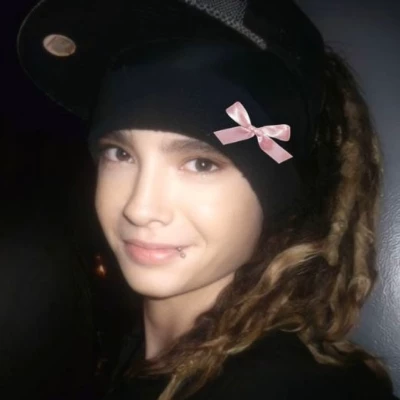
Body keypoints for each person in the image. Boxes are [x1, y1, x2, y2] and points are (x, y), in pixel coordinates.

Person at [17, 0, 398, 399]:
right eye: (120, 154)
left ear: (275, 195)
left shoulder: (301, 388)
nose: (139, 208)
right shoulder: (121, 356)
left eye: (201, 164)